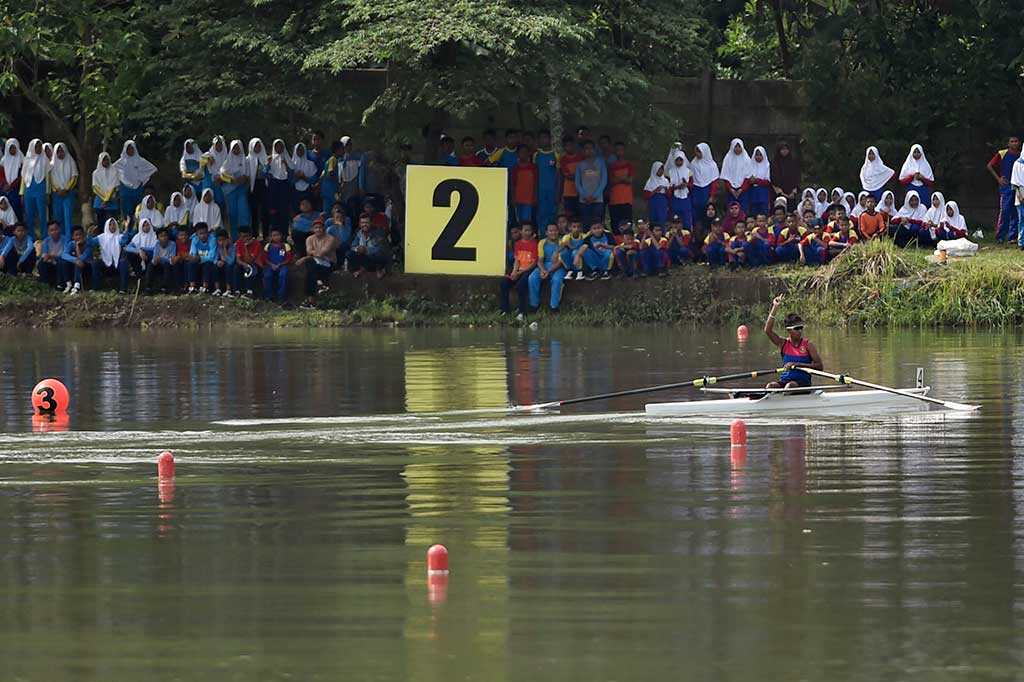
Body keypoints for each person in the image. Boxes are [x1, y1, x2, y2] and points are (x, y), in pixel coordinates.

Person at [764, 294, 823, 389]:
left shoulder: (808, 345)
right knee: (770, 386)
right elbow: (768, 330)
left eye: (801, 328)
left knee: (790, 386)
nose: (800, 331)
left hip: (803, 382)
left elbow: (820, 367)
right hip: (785, 380)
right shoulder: (783, 343)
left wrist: (798, 364)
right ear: (788, 330)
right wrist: (775, 307)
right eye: (797, 328)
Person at [295, 217, 338, 309]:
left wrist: (305, 257)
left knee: (309, 263)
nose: (318, 229)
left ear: (324, 228)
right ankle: (317, 289)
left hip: (329, 263)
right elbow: (309, 251)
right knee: (311, 269)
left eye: (320, 227)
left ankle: (310, 300)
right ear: (312, 229)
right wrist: (311, 254)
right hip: (315, 263)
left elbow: (322, 253)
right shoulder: (310, 239)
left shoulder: (330, 239)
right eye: (316, 227)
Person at [986, 135, 1021, 244]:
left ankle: (1012, 237)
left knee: (1016, 211)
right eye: (1012, 141)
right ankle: (1000, 236)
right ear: (1008, 143)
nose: (1014, 143)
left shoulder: (1021, 155)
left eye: (1016, 141)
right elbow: (990, 166)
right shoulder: (1002, 153)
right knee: (1005, 210)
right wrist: (998, 179)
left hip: (1018, 186)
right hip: (1006, 186)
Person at [114, 141, 157, 223]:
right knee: (127, 213)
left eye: (132, 148)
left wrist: (141, 178)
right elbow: (112, 170)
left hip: (137, 189)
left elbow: (152, 169)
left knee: (138, 211)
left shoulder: (140, 161)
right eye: (128, 149)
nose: (130, 150)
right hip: (125, 190)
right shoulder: (120, 162)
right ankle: (127, 230)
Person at [500, 223, 536, 317]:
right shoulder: (518, 244)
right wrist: (514, 272)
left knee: (521, 286)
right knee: (504, 283)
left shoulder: (534, 243)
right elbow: (517, 260)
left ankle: (522, 311)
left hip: (528, 270)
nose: (527, 233)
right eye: (525, 230)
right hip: (518, 270)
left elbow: (533, 263)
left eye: (529, 230)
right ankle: (504, 310)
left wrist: (520, 273)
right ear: (521, 231)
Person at [529, 223, 566, 312]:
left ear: (558, 231)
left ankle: (554, 307)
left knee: (557, 280)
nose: (553, 233)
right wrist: (543, 270)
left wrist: (548, 272)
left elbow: (561, 262)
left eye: (555, 231)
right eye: (551, 231)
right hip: (544, 265)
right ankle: (534, 305)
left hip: (558, 267)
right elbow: (540, 260)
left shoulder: (562, 242)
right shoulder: (542, 242)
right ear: (546, 232)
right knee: (532, 278)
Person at [217, 140, 250, 240]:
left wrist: (243, 178)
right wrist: (232, 179)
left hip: (242, 190)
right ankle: (235, 239)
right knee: (232, 214)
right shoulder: (227, 161)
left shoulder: (245, 160)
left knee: (244, 213)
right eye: (234, 148)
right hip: (230, 191)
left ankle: (246, 237)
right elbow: (222, 173)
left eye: (238, 147)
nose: (236, 150)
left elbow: (247, 175)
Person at [20, 139, 49, 240]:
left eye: (40, 146)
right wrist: (22, 194)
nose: (38, 149)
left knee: (42, 215)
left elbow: (48, 177)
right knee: (29, 215)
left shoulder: (44, 159)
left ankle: (44, 237)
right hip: (29, 189)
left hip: (41, 189)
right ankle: (30, 237)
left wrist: (48, 192)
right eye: (36, 146)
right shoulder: (27, 160)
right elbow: (23, 178)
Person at [47, 143, 78, 238]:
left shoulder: (70, 162)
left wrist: (66, 189)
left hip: (68, 193)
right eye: (58, 151)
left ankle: (68, 238)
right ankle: (59, 238)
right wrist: (58, 189)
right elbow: (51, 179)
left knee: (68, 216)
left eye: (62, 151)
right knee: (58, 217)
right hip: (57, 194)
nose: (60, 153)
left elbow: (74, 177)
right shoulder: (51, 164)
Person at [574, 141, 607, 229]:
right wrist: (584, 195)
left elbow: (604, 180)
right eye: (586, 148)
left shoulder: (601, 162)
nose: (588, 151)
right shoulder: (580, 164)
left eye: (591, 148)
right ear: (583, 151)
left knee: (598, 225)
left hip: (598, 200)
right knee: (586, 225)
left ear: (595, 150)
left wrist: (595, 196)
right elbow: (577, 182)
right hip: (584, 200)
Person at [121, 217, 158, 293]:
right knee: (129, 254)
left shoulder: (154, 235)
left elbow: (155, 248)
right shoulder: (138, 236)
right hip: (140, 258)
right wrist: (138, 251)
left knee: (150, 261)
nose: (146, 227)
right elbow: (128, 247)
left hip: (151, 258)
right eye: (143, 225)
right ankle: (137, 272)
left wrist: (142, 249)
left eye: (147, 225)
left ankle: (148, 287)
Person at [61, 224, 99, 294]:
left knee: (79, 262)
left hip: (86, 268)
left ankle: (76, 286)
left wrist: (78, 248)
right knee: (64, 262)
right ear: (72, 237)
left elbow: (83, 257)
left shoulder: (88, 244)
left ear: (83, 235)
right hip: (75, 266)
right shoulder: (70, 244)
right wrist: (74, 260)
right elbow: (64, 255)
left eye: (80, 234)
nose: (78, 237)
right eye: (76, 235)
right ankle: (68, 284)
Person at [245, 138, 270, 239]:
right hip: (252, 187)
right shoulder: (247, 159)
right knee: (254, 212)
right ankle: (255, 234)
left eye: (259, 146)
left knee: (265, 212)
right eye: (255, 146)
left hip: (264, 186)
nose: (258, 148)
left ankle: (266, 234)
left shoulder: (265, 159)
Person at [534, 130, 559, 230]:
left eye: (545, 138)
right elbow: (535, 175)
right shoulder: (536, 155)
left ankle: (552, 239)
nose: (543, 140)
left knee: (552, 215)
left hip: (552, 191)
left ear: (550, 139)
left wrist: (558, 192)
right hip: (541, 191)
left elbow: (559, 175)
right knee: (541, 215)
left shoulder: (556, 155)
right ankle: (542, 238)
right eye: (541, 138)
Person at [719, 138, 752, 213]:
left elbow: (748, 176)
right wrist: (731, 189)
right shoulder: (728, 158)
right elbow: (725, 175)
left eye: (739, 147)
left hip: (743, 191)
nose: (737, 149)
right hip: (730, 191)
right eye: (736, 147)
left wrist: (741, 189)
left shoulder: (746, 159)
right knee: (731, 210)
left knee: (743, 211)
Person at [607, 142, 635, 229]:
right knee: (615, 225)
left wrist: (618, 179)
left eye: (621, 150)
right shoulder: (611, 166)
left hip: (626, 199)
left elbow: (630, 180)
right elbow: (611, 181)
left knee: (627, 224)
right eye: (617, 150)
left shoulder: (629, 165)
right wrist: (623, 179)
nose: (619, 152)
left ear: (624, 151)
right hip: (614, 199)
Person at [664, 145, 692, 230]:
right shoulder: (670, 172)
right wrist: (677, 187)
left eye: (681, 160)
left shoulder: (688, 171)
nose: (679, 162)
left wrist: (686, 185)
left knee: (686, 222)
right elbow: (668, 187)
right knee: (675, 221)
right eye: (677, 160)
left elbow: (692, 185)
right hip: (675, 199)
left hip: (686, 198)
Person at [95, 217, 127, 291]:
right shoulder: (101, 237)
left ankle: (123, 289)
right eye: (110, 225)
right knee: (95, 263)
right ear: (107, 226)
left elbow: (123, 242)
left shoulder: (120, 237)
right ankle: (96, 288)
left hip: (117, 265)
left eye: (114, 224)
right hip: (105, 264)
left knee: (123, 263)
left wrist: (126, 229)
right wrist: (90, 234)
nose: (112, 226)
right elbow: (90, 242)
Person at [338, 136, 367, 220]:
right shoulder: (338, 158)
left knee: (353, 208)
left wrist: (361, 187)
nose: (348, 147)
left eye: (350, 144)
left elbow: (361, 174)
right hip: (342, 188)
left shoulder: (358, 157)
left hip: (353, 187)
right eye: (346, 145)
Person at [690, 142, 719, 224]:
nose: (697, 154)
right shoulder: (693, 163)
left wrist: (711, 195)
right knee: (695, 212)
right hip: (696, 191)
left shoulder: (712, 165)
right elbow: (691, 178)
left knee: (706, 212)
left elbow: (714, 181)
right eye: (696, 151)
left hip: (707, 190)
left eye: (699, 152)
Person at [267, 139, 292, 234]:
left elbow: (291, 172)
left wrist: (285, 163)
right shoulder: (270, 158)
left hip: (285, 186)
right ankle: (274, 234)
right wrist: (268, 165)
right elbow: (265, 173)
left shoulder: (287, 157)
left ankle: (284, 234)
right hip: (274, 185)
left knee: (284, 211)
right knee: (274, 211)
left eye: (281, 146)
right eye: (277, 146)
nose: (279, 148)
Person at [262, 227, 292, 303]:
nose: (276, 237)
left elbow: (288, 259)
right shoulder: (268, 246)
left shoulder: (286, 246)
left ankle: (282, 297)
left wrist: (280, 264)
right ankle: (269, 296)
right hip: (270, 265)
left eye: (278, 235)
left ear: (281, 236)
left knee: (283, 275)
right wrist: (271, 264)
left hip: (282, 265)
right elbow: (265, 258)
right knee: (267, 275)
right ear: (271, 237)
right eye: (274, 235)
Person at [511, 145, 538, 226]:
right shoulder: (515, 168)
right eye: (521, 152)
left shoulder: (533, 167)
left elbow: (536, 183)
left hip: (529, 200)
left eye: (525, 152)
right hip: (518, 199)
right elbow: (512, 184)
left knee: (527, 221)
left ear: (529, 153)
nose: (523, 154)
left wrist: (535, 197)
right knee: (519, 221)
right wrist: (513, 198)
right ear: (518, 154)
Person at [770, 140, 801, 210]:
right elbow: (773, 178)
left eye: (786, 149)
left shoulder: (793, 162)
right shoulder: (775, 163)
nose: (785, 151)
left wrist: (793, 191)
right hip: (778, 192)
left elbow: (796, 177)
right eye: (782, 149)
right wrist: (781, 193)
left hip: (791, 192)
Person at [186, 221, 215, 294]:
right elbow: (192, 252)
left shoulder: (212, 240)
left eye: (205, 233)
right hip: (198, 261)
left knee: (207, 265)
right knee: (190, 264)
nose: (203, 236)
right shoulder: (195, 239)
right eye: (200, 234)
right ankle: (192, 287)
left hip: (208, 262)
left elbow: (212, 257)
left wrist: (200, 259)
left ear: (208, 232)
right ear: (197, 234)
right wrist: (192, 257)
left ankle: (205, 287)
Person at [233, 226, 262, 297]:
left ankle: (250, 292)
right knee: (236, 268)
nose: (246, 238)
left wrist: (246, 247)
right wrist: (243, 264)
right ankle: (237, 290)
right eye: (243, 237)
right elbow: (238, 259)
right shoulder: (238, 243)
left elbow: (250, 260)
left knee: (250, 268)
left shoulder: (257, 244)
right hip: (243, 263)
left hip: (255, 264)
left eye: (247, 236)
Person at [204, 229, 235, 296]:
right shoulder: (217, 247)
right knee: (214, 267)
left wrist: (224, 249)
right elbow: (214, 258)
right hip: (221, 264)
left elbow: (231, 261)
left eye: (223, 240)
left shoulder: (232, 247)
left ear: (227, 239)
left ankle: (228, 290)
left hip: (229, 265)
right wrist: (217, 262)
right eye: (219, 240)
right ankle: (217, 289)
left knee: (228, 267)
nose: (221, 242)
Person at [559, 135, 582, 220]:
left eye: (571, 145)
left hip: (581, 192)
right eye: (567, 146)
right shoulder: (563, 159)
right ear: (564, 147)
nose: (569, 147)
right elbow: (567, 175)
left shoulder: (580, 157)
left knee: (581, 215)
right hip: (568, 192)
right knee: (570, 216)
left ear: (574, 145)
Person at [37, 221, 66, 288]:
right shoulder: (46, 240)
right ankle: (44, 284)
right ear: (49, 232)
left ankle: (59, 284)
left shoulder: (65, 239)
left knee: (61, 263)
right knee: (41, 263)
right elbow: (43, 253)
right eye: (52, 230)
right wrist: (46, 257)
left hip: (60, 262)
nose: (54, 232)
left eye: (56, 229)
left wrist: (53, 256)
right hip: (50, 262)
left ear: (59, 229)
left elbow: (65, 254)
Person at [290, 142, 317, 210]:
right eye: (298, 150)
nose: (300, 152)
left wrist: (304, 177)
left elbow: (314, 180)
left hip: (307, 192)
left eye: (302, 150)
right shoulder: (291, 164)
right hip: (295, 193)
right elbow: (289, 180)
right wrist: (297, 177)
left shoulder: (310, 164)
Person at [1, 139, 23, 220]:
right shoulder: (3, 160)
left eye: (14, 148)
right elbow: (1, 174)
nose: (12, 150)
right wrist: (5, 183)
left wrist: (12, 185)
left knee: (16, 208)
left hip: (16, 188)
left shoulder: (21, 159)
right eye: (10, 148)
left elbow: (22, 176)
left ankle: (18, 229)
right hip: (5, 188)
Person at [149, 228, 177, 293]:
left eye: (165, 235)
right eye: (161, 236)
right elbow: (155, 257)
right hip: (159, 264)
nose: (164, 238)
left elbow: (171, 258)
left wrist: (161, 259)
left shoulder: (172, 244)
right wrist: (155, 260)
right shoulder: (157, 244)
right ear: (158, 238)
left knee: (167, 265)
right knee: (151, 265)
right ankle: (149, 286)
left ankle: (165, 287)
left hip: (169, 265)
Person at [643, 162, 670, 226]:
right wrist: (655, 190)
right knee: (653, 220)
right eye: (659, 169)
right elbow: (646, 196)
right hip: (653, 202)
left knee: (661, 220)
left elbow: (669, 195)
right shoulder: (650, 181)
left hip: (662, 202)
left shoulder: (665, 180)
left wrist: (666, 190)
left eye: (662, 170)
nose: (661, 171)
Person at [748, 146, 772, 216]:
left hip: (763, 192)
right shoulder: (750, 165)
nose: (758, 157)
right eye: (756, 155)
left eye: (760, 155)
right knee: (753, 212)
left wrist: (756, 180)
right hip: (752, 191)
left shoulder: (767, 165)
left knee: (764, 212)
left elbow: (768, 181)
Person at [170, 227, 192, 292]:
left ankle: (186, 285)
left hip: (187, 261)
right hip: (179, 261)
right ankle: (178, 286)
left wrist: (181, 256)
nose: (183, 237)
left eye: (185, 235)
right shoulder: (176, 243)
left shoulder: (190, 242)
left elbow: (190, 254)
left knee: (187, 264)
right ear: (177, 236)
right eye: (181, 235)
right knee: (175, 265)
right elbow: (175, 254)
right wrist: (179, 257)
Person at [1014, 153, 1024, 247]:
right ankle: (1022, 242)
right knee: (1022, 219)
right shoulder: (1017, 163)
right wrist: (1019, 195)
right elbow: (1015, 182)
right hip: (1021, 193)